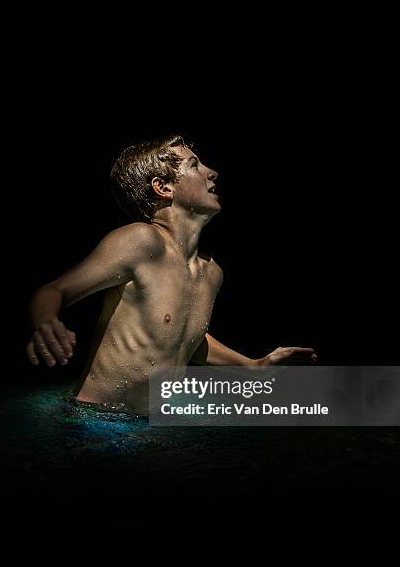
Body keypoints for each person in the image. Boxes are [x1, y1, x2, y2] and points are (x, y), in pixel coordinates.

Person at [26, 135, 316, 413]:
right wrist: (46, 320)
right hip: (95, 419)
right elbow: (53, 291)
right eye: (194, 165)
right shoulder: (141, 242)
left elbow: (182, 336)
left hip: (152, 424)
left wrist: (253, 367)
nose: (212, 172)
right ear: (163, 187)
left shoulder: (211, 272)